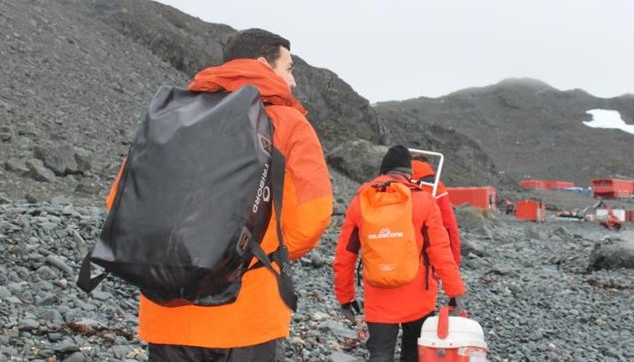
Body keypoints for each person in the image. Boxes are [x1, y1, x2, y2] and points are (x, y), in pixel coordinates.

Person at [106, 28, 333, 361]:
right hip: (246, 315)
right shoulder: (287, 122)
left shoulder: (173, 117)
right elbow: (311, 219)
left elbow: (119, 203)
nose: (293, 81)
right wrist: (245, 260)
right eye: (289, 68)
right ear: (262, 64)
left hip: (167, 315)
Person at [333, 145, 466, 362]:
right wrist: (455, 291)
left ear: (383, 171)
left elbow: (345, 255)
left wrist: (345, 297)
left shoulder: (360, 201)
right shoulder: (423, 200)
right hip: (418, 297)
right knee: (413, 354)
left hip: (379, 297)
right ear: (409, 173)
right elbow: (440, 251)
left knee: (381, 354)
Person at [411, 156, 461, 265]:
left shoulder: (389, 183)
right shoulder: (435, 187)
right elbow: (449, 226)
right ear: (428, 166)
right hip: (423, 252)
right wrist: (454, 261)